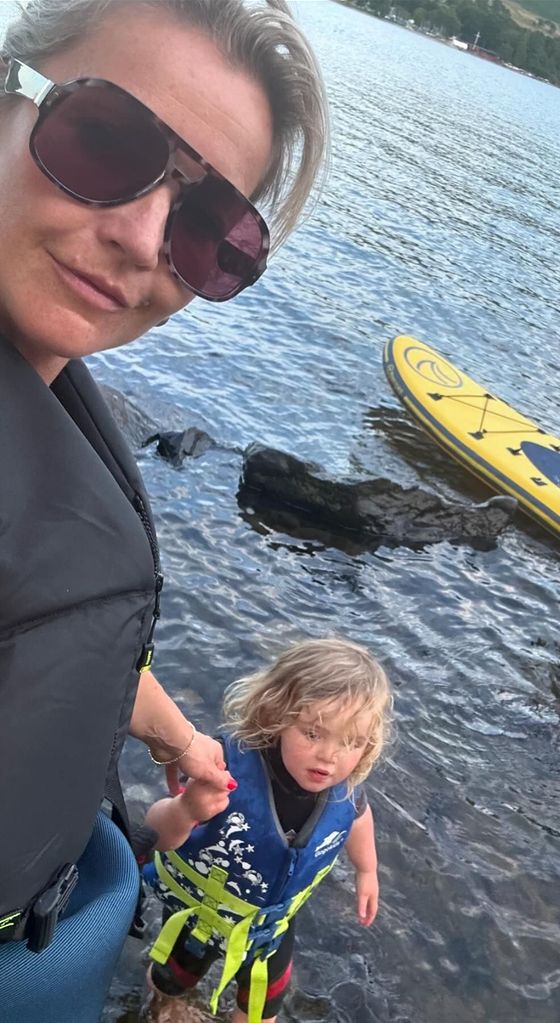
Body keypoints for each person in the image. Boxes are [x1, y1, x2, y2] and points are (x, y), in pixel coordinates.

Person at [0, 1, 326, 1018]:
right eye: (103, 139)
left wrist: (178, 739)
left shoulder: (52, 400)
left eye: (209, 229)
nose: (143, 239)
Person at [141, 638, 393, 1023]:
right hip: (201, 913)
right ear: (277, 714)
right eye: (313, 733)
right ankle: (163, 1006)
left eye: (351, 742)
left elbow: (358, 817)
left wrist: (367, 870)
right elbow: (153, 833)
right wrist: (186, 808)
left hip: (269, 928)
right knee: (171, 980)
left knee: (261, 1010)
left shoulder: (343, 790)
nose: (330, 755)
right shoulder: (227, 767)